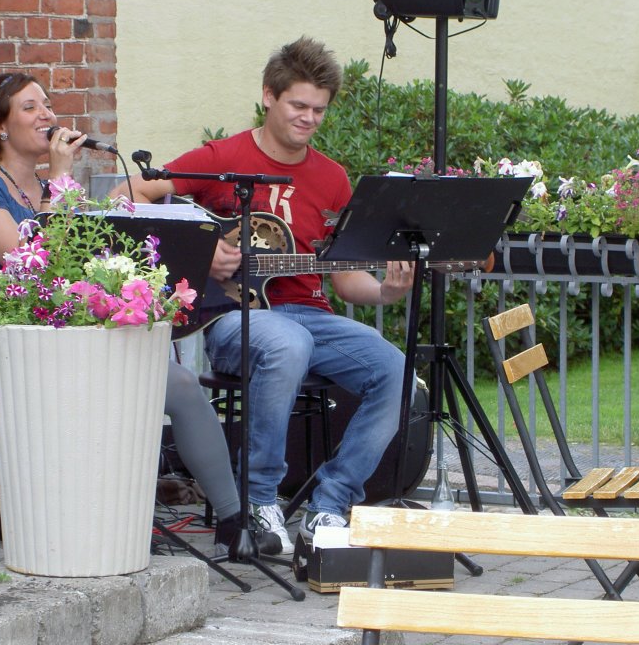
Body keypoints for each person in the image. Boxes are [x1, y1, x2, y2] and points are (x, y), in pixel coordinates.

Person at [0, 72, 279, 555]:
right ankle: (101, 520)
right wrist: (63, 178)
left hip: (73, 337)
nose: (47, 115)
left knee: (181, 383)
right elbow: (36, 259)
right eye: (30, 107)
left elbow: (81, 269)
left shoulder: (43, 188)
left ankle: (235, 523)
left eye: (48, 104)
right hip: (10, 349)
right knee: (128, 386)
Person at [112, 38, 415, 554]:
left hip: (310, 317)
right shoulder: (221, 158)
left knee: (395, 370)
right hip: (234, 317)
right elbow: (128, 195)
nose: (309, 119)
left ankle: (330, 507)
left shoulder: (333, 179)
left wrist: (386, 288)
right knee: (286, 344)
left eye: (319, 110)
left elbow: (344, 281)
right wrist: (200, 248)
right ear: (268, 96)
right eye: (299, 105)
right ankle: (258, 499)